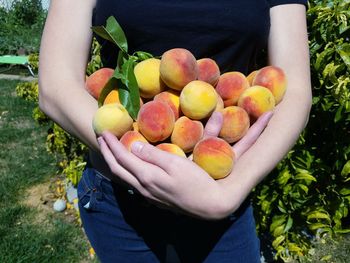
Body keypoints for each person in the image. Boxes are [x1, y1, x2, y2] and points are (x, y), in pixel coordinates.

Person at [38, 0, 312, 262]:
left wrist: (228, 193)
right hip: (119, 196)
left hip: (221, 187)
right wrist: (141, 162)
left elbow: (295, 90)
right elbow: (56, 85)